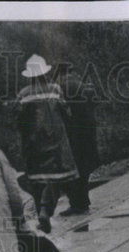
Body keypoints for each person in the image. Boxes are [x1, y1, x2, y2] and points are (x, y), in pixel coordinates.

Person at [15, 54, 79, 232]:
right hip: (57, 141)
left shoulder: (23, 94)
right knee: (55, 177)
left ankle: (40, 212)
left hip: (33, 144)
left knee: (37, 179)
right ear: (44, 73)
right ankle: (45, 210)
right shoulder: (55, 89)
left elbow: (19, 120)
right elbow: (67, 112)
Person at [54, 62, 99, 216]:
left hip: (73, 133)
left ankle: (77, 204)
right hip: (88, 131)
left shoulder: (63, 87)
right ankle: (83, 202)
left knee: (72, 169)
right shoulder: (83, 85)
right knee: (84, 168)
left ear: (60, 73)